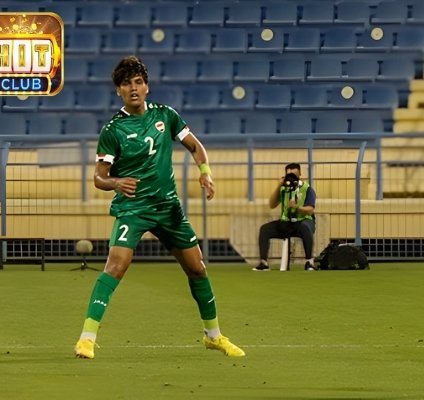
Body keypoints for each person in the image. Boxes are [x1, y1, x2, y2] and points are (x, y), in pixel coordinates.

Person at [74, 56, 244, 359]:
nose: (133, 88)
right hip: (134, 209)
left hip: (168, 208)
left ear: (147, 86)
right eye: (126, 83)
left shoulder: (167, 115)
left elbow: (195, 145)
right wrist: (116, 183)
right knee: (116, 266)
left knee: (197, 268)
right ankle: (87, 338)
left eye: (138, 81)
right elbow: (99, 178)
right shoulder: (113, 130)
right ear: (119, 91)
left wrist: (205, 174)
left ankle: (214, 336)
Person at [253, 163, 317, 271]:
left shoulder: (307, 189)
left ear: (300, 174)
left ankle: (309, 262)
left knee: (305, 228)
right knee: (265, 229)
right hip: (286, 222)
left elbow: (310, 210)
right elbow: (272, 205)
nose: (291, 179)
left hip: (303, 221)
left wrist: (297, 208)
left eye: (294, 176)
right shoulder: (283, 189)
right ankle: (264, 263)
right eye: (289, 176)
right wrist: (279, 186)